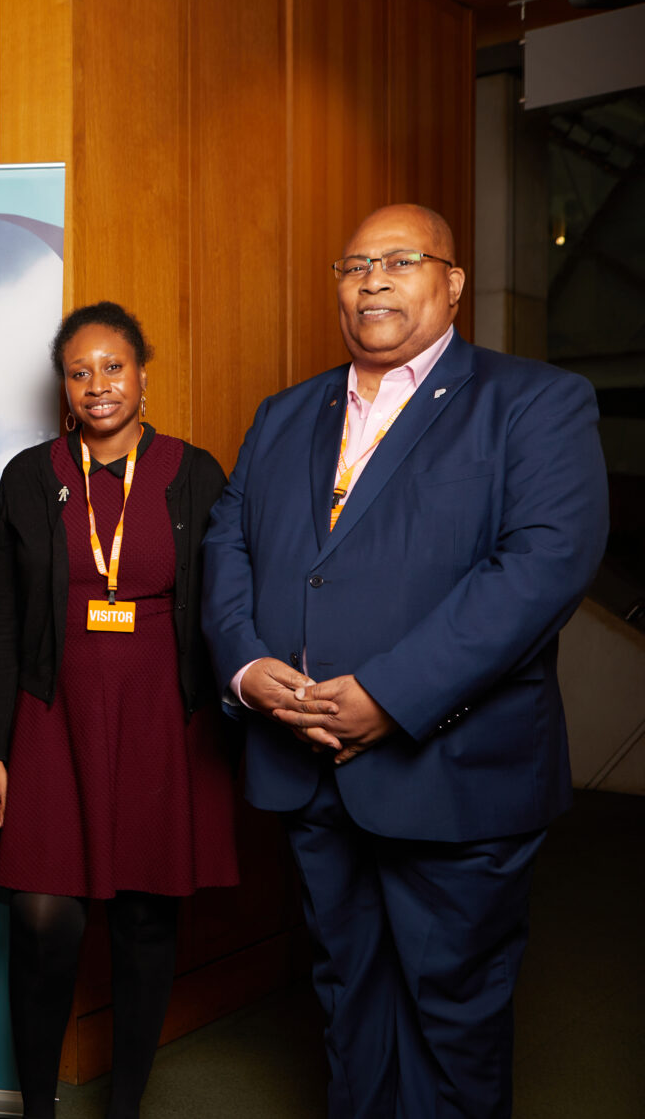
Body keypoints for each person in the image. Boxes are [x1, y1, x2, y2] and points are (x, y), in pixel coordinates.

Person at [201, 204, 608, 1118]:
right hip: (305, 766)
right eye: (354, 266)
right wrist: (245, 664)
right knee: (347, 1003)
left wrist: (390, 694)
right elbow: (229, 539)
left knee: (452, 1018)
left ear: (453, 283)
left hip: (455, 776)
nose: (373, 280)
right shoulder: (284, 413)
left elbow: (542, 567)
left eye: (400, 260)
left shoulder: (534, 402)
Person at [0, 302, 238, 1118]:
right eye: (80, 371)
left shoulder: (194, 473)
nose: (98, 385)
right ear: (64, 385)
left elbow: (226, 603)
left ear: (143, 375)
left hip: (163, 716)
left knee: (144, 916)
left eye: (113, 367)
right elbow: (3, 621)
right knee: (43, 919)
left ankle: (126, 1104)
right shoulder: (30, 475)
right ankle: (40, 1108)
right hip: (53, 712)